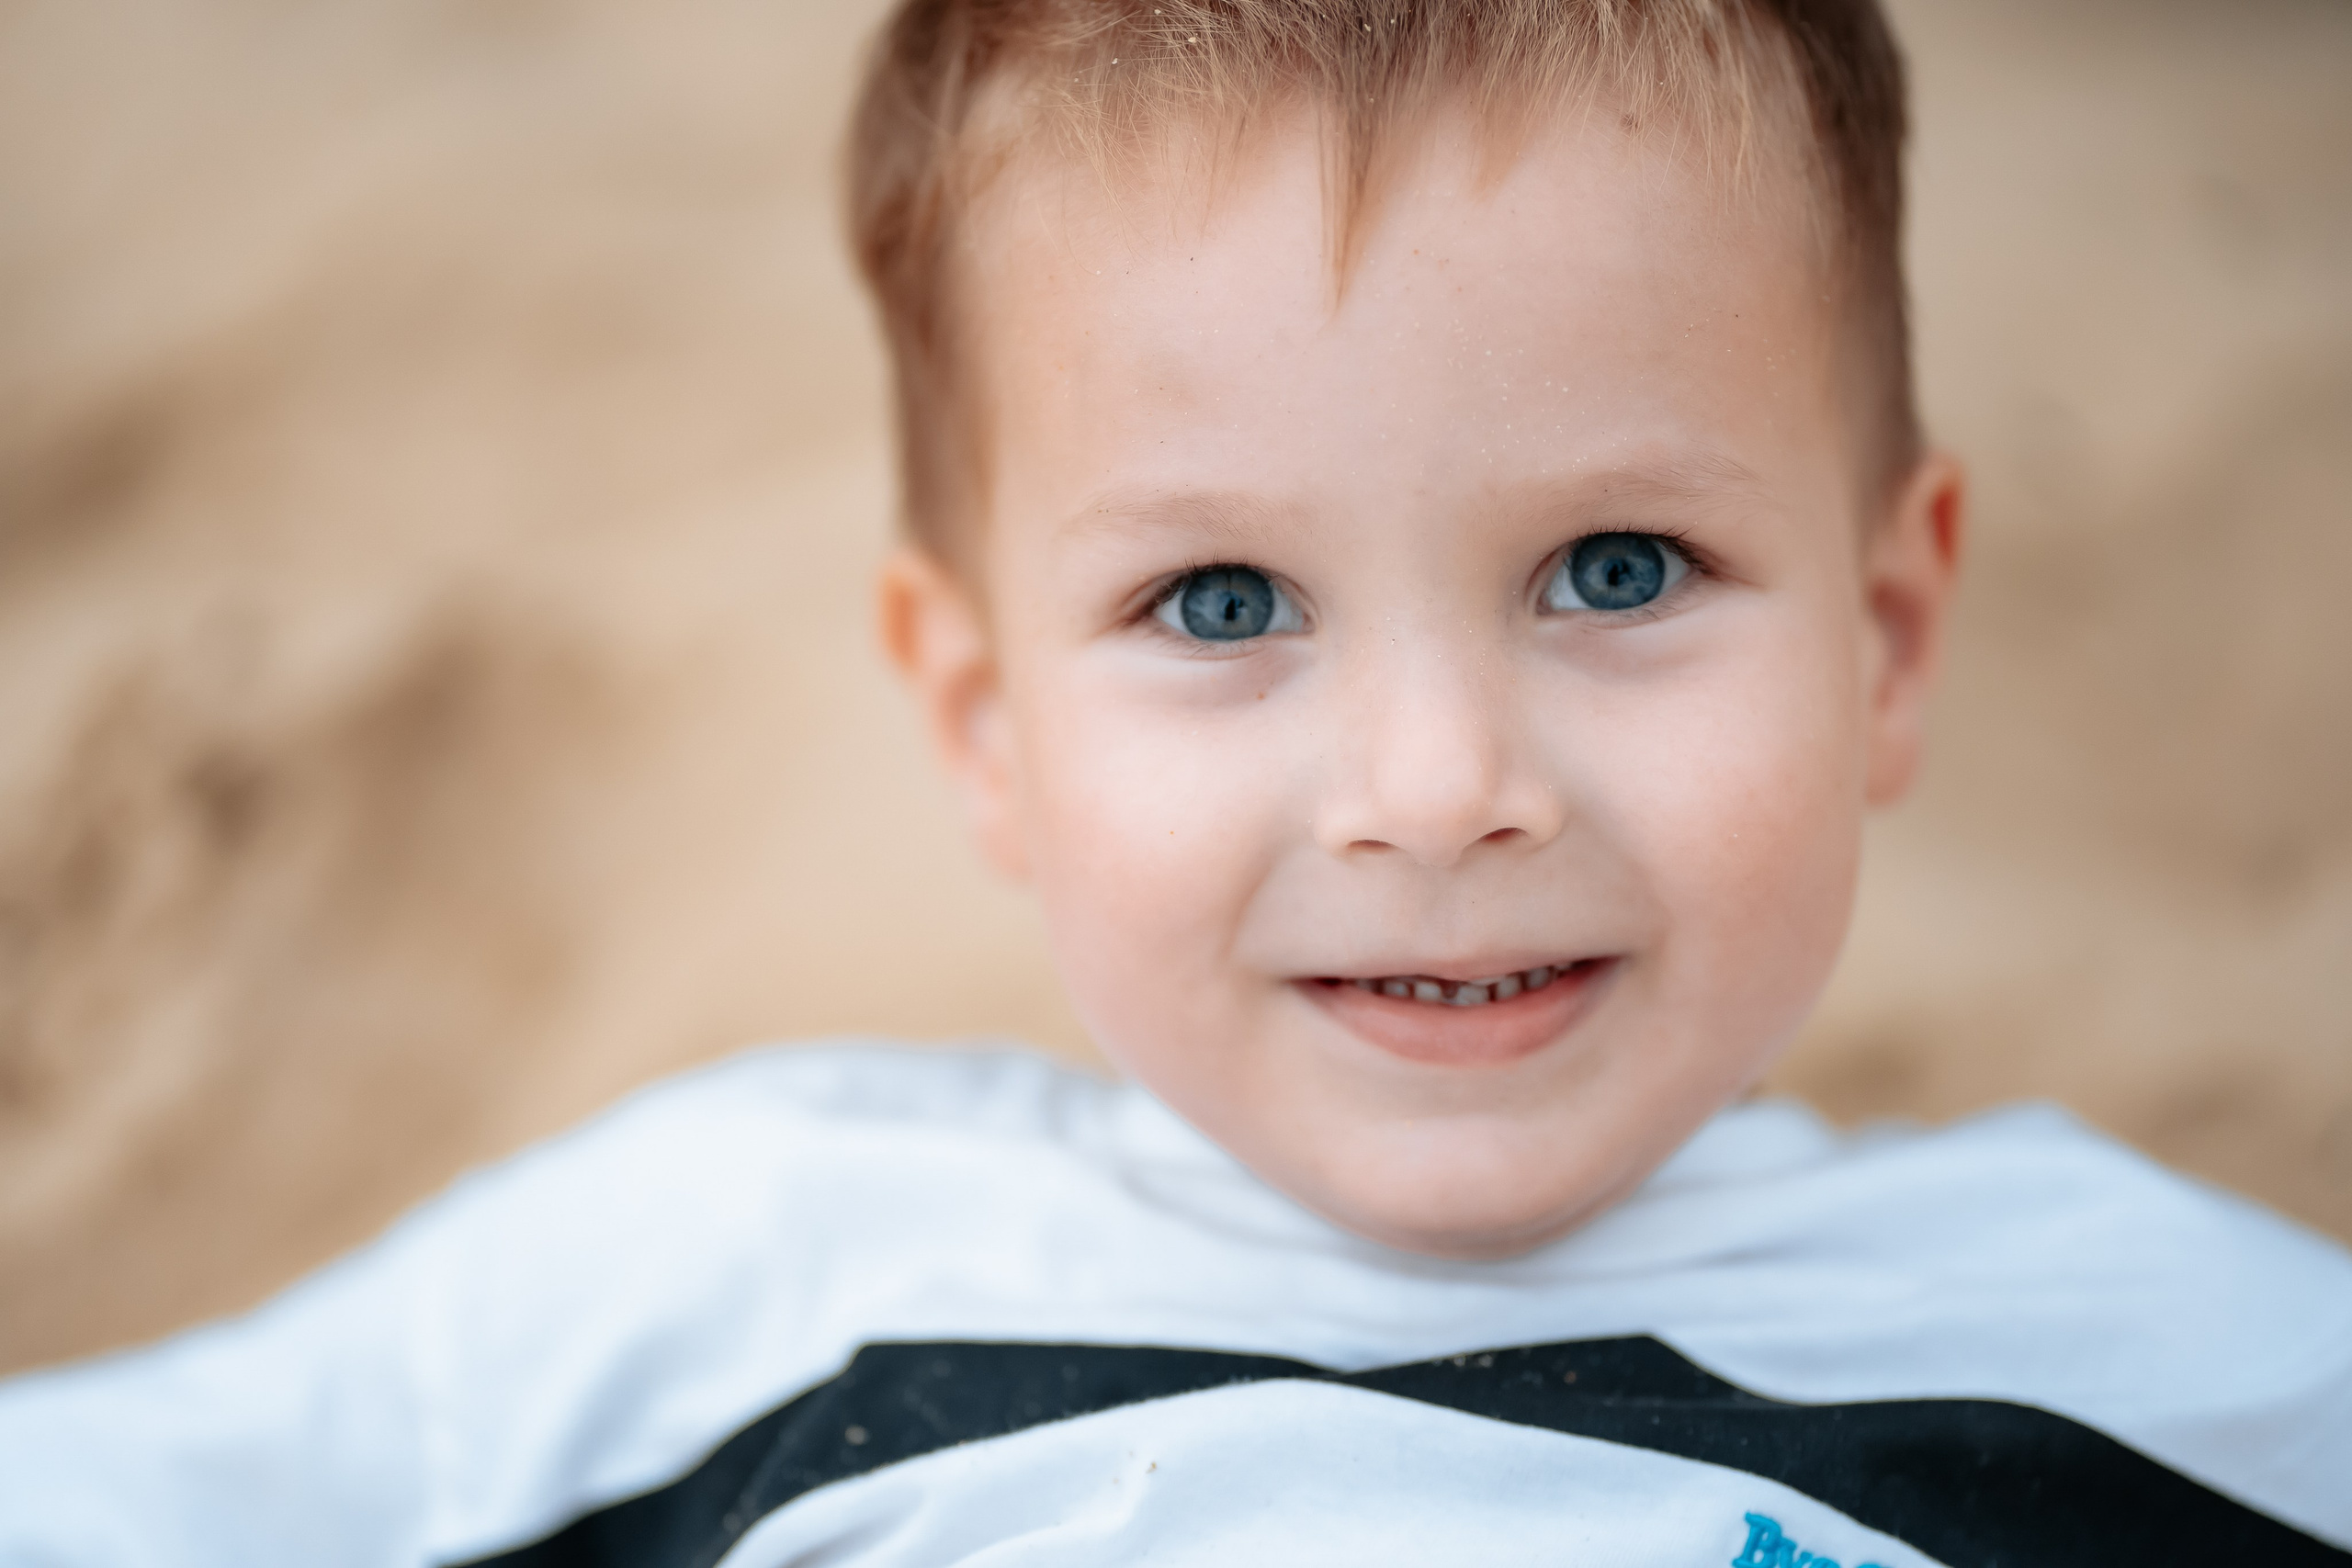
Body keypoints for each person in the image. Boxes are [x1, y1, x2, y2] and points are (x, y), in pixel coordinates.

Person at [4, 1, 2347, 1563]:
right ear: (984, 721)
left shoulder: (2162, 1350)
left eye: (1615, 567)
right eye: (1222, 600)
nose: (1436, 787)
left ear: (1884, 637)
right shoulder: (735, 1269)